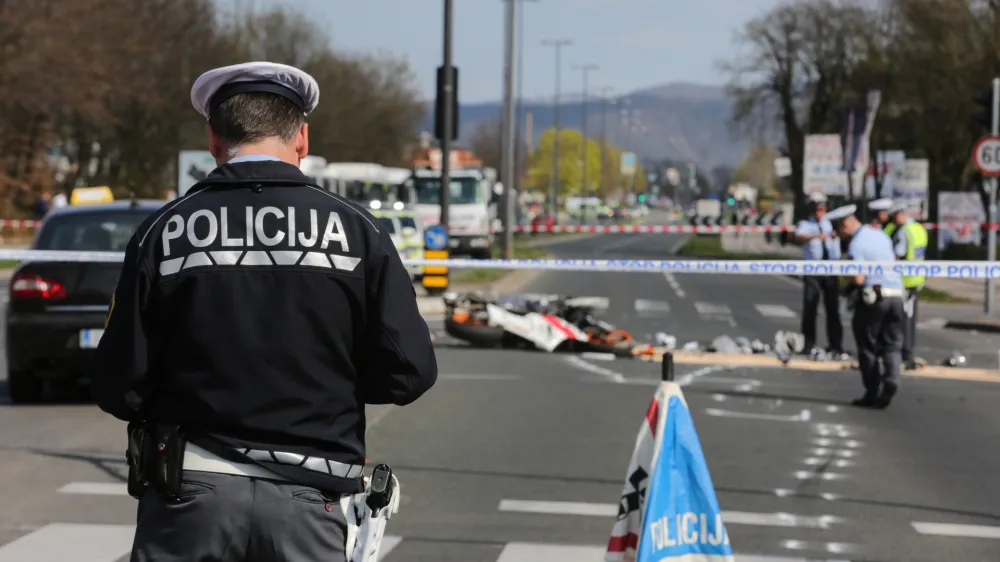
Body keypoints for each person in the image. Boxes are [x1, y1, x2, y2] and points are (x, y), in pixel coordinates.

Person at [94, 61, 438, 562]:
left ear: (214, 138)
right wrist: (330, 381)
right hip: (310, 500)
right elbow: (410, 372)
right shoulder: (359, 230)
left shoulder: (162, 231)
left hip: (191, 496)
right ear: (302, 137)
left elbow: (116, 382)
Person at [827, 204, 904, 409]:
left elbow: (859, 279)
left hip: (874, 298)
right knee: (892, 344)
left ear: (846, 224)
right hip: (897, 295)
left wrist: (847, 288)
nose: (838, 235)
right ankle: (892, 379)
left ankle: (872, 391)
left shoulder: (856, 245)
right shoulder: (880, 235)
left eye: (838, 230)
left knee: (867, 344)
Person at [794, 193, 846, 359]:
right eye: (817, 210)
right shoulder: (806, 224)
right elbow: (799, 235)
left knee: (833, 309)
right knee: (810, 307)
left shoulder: (830, 223)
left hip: (830, 269)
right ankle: (808, 344)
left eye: (822, 209)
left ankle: (835, 345)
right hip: (813, 270)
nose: (819, 213)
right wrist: (815, 236)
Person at [889, 203, 928, 370]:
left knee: (903, 320)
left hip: (904, 280)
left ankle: (905, 353)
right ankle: (908, 351)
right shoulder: (919, 228)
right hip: (917, 279)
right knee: (910, 320)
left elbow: (898, 255)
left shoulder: (904, 231)